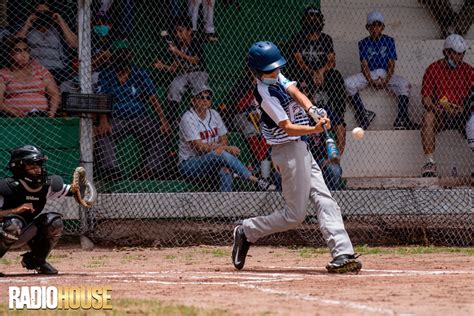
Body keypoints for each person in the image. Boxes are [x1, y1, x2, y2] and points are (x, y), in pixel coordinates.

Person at [232, 41, 362, 273]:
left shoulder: (276, 76)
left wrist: (313, 111)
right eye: (270, 70)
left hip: (301, 147)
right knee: (295, 216)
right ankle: (247, 230)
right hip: (287, 151)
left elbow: (295, 91)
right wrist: (315, 130)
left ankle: (343, 253)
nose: (276, 72)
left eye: (277, 67)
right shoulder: (263, 93)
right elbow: (288, 127)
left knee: (325, 199)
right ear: (258, 73)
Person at [178, 85, 276, 192]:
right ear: (193, 100)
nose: (205, 100)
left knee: (226, 170)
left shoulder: (214, 114)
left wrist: (218, 147)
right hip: (190, 164)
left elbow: (224, 139)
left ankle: (225, 202)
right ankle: (254, 179)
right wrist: (224, 148)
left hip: (212, 161)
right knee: (219, 153)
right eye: (201, 97)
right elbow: (199, 147)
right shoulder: (188, 118)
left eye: (208, 98)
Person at [95, 44, 171, 180]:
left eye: (125, 59)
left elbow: (153, 98)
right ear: (113, 61)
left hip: (139, 117)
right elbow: (102, 98)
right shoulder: (106, 74)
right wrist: (103, 120)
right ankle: (111, 169)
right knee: (102, 133)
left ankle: (149, 170)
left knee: (161, 133)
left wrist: (163, 120)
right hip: (117, 118)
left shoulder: (140, 73)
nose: (122, 66)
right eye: (118, 59)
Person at [0, 145, 76, 274]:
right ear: (19, 168)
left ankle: (37, 261)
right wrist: (15, 211)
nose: (38, 170)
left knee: (54, 222)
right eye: (32, 167)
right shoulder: (6, 187)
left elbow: (77, 191)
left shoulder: (45, 187)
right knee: (13, 224)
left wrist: (82, 190)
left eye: (39, 165)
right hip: (4, 229)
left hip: (21, 231)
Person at [344, 11, 419, 130]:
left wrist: (386, 80)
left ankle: (402, 119)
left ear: (383, 27)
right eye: (372, 25)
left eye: (378, 25)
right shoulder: (363, 43)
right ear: (367, 27)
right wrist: (371, 80)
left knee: (404, 84)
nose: (375, 28)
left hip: (385, 73)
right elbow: (364, 65)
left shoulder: (389, 40)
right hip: (370, 73)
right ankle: (363, 114)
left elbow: (391, 64)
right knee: (348, 83)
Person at [289, 6, 347, 158]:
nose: (313, 20)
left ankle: (338, 115)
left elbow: (331, 61)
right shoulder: (298, 38)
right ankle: (305, 107)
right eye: (310, 17)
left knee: (336, 76)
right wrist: (312, 72)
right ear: (304, 20)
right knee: (297, 75)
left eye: (316, 17)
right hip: (304, 73)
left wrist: (321, 71)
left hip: (323, 73)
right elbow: (298, 61)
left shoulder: (326, 39)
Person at [420, 34, 473, 177]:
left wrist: (465, 108)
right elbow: (426, 97)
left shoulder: (468, 70)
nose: (460, 58)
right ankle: (429, 162)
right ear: (446, 52)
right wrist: (432, 107)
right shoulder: (433, 69)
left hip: (464, 114)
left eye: (462, 54)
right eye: (456, 54)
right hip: (441, 114)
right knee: (427, 117)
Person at [153, 15, 209, 123]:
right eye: (176, 31)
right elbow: (175, 68)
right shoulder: (179, 45)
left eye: (180, 31)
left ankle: (199, 118)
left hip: (199, 72)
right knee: (174, 86)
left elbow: (195, 60)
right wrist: (162, 66)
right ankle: (172, 120)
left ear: (189, 31)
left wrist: (177, 52)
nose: (177, 34)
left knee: (199, 87)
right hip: (184, 73)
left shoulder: (195, 42)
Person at [16, 2, 78, 84]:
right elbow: (14, 44)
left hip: (58, 70)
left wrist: (60, 21)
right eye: (38, 13)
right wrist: (27, 24)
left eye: (45, 13)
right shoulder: (29, 29)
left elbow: (74, 44)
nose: (42, 15)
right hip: (34, 69)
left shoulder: (58, 28)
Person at [0, 36, 59, 118]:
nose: (23, 54)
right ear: (10, 54)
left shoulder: (40, 69)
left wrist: (51, 113)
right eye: (18, 51)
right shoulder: (3, 73)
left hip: (40, 115)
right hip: (14, 118)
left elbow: (54, 94)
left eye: (26, 50)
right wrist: (13, 112)